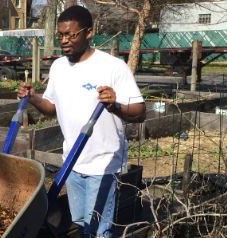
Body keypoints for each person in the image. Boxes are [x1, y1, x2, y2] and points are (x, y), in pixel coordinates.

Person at [17, 5, 145, 238]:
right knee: (80, 223)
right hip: (72, 162)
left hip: (103, 163)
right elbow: (50, 109)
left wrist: (114, 105)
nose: (64, 40)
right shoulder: (58, 67)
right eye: (61, 35)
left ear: (89, 33)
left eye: (71, 35)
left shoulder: (112, 67)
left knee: (98, 230)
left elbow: (140, 112)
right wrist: (32, 98)